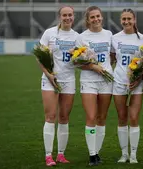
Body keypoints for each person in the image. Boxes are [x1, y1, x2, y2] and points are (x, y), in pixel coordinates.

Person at [37, 6, 79, 167]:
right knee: (50, 117)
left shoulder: (77, 37)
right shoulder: (49, 33)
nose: (67, 17)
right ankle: (49, 156)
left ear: (73, 17)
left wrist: (78, 56)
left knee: (64, 118)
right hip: (50, 79)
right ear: (59, 17)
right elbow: (40, 57)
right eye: (64, 15)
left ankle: (61, 154)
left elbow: (81, 60)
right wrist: (48, 74)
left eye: (70, 15)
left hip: (68, 80)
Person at [75, 6, 113, 166]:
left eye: (98, 16)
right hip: (89, 81)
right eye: (92, 17)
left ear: (102, 17)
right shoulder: (81, 37)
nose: (96, 19)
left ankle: (97, 152)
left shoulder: (109, 35)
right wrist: (93, 67)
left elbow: (113, 56)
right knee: (91, 117)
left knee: (102, 118)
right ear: (88, 20)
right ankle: (92, 155)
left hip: (106, 81)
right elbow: (76, 62)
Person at [111, 8, 143, 164]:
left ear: (134, 20)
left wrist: (138, 79)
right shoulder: (115, 38)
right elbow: (111, 58)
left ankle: (133, 154)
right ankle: (124, 154)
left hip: (137, 83)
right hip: (118, 81)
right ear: (121, 21)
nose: (126, 22)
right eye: (123, 19)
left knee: (133, 118)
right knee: (122, 118)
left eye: (129, 19)